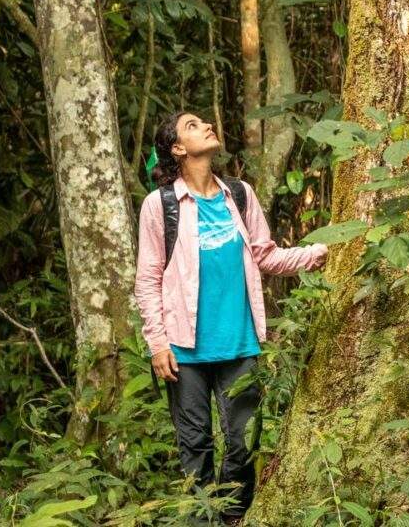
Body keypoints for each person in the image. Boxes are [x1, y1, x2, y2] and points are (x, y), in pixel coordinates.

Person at [133, 111, 328, 524]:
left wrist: (318, 253)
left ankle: (233, 516)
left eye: (204, 121)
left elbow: (265, 255)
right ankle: (202, 521)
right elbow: (148, 278)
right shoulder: (161, 205)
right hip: (183, 350)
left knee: (243, 442)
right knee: (195, 447)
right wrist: (157, 343)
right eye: (191, 125)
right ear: (178, 149)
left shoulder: (238, 195)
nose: (205, 125)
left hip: (239, 342)